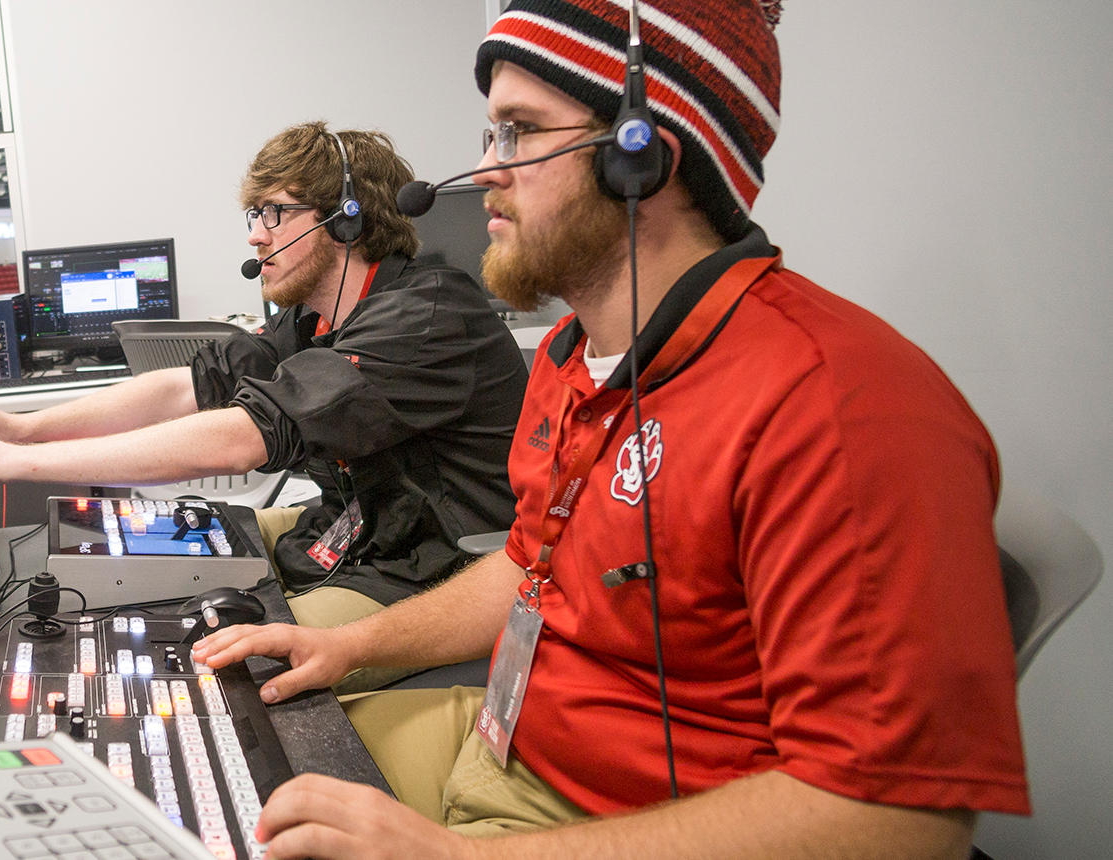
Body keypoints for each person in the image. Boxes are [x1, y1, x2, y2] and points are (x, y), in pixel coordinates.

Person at [191, 1, 1030, 857]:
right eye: (490, 137)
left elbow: (899, 821)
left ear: (643, 153)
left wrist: (456, 856)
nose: (485, 173)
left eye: (519, 133)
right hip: (507, 739)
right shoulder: (571, 355)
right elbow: (529, 569)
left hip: (613, 820)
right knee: (238, 748)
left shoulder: (841, 406)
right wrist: (344, 644)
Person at [0, 121, 528, 629]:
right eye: (253, 215)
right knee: (155, 567)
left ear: (346, 218)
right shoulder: (311, 319)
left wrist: (16, 465)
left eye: (274, 213)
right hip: (360, 533)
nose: (256, 236)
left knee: (224, 652)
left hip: (433, 568)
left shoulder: (426, 315)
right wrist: (17, 428)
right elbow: (185, 387)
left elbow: (246, 435)